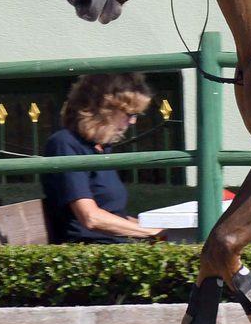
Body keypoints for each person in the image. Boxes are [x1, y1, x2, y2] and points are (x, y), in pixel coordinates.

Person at [41, 73, 166, 244]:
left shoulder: (100, 148)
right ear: (103, 108)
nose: (133, 122)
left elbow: (114, 216)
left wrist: (163, 231)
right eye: (129, 113)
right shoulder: (65, 144)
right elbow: (90, 218)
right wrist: (154, 233)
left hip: (111, 246)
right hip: (86, 251)